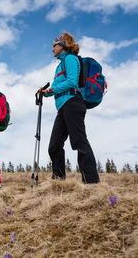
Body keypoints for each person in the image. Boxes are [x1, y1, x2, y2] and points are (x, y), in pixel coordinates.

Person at [41, 32, 100, 184]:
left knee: (78, 141)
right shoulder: (60, 65)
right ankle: (59, 182)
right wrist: (45, 93)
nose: (52, 49)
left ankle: (91, 182)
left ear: (63, 45)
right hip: (63, 106)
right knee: (54, 146)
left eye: (54, 45)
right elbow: (56, 88)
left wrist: (52, 90)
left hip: (73, 103)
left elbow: (73, 82)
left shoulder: (71, 59)